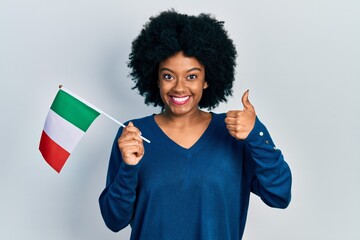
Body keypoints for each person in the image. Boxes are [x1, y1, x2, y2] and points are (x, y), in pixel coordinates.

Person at [99, 10, 291, 240]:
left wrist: (257, 136)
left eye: (191, 76)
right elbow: (114, 220)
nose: (179, 88)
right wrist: (128, 169)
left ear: (207, 79)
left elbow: (280, 195)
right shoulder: (133, 135)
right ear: (156, 79)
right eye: (169, 76)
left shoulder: (235, 133)